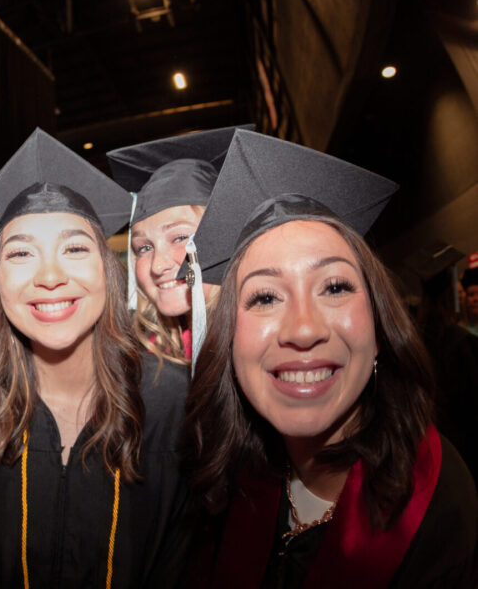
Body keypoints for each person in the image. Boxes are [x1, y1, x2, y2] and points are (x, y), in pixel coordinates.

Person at [183, 129, 478, 588]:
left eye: (335, 287)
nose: (304, 328)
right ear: (229, 342)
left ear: (378, 330)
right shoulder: (227, 484)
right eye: (264, 297)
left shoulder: (441, 508)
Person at [0, 129, 190, 588]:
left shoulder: (172, 403)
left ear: (108, 273)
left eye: (75, 248)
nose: (50, 275)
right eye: (22, 252)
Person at [106, 126, 248, 365]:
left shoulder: (255, 345)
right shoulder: (159, 355)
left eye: (181, 238)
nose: (158, 265)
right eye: (144, 248)